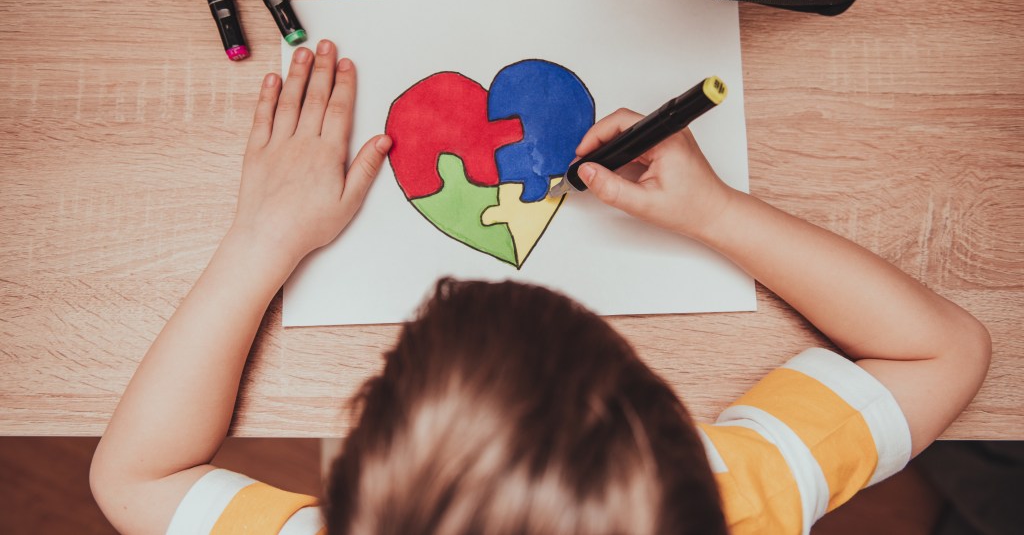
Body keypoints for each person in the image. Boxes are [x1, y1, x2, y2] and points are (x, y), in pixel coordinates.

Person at [90, 41, 991, 535]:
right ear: (674, 431)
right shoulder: (730, 502)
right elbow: (942, 348)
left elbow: (134, 473)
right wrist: (715, 214)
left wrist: (259, 242)